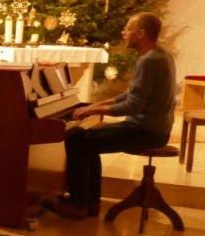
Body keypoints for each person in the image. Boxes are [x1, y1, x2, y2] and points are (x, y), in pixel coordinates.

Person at [44, 12, 176, 220]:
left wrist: (93, 110)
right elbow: (132, 94)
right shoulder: (161, 56)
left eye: (128, 29)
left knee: (76, 142)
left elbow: (134, 105)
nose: (123, 33)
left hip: (145, 131)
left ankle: (79, 205)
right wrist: (98, 104)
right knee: (86, 141)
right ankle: (91, 202)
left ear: (141, 34)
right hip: (155, 130)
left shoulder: (149, 61)